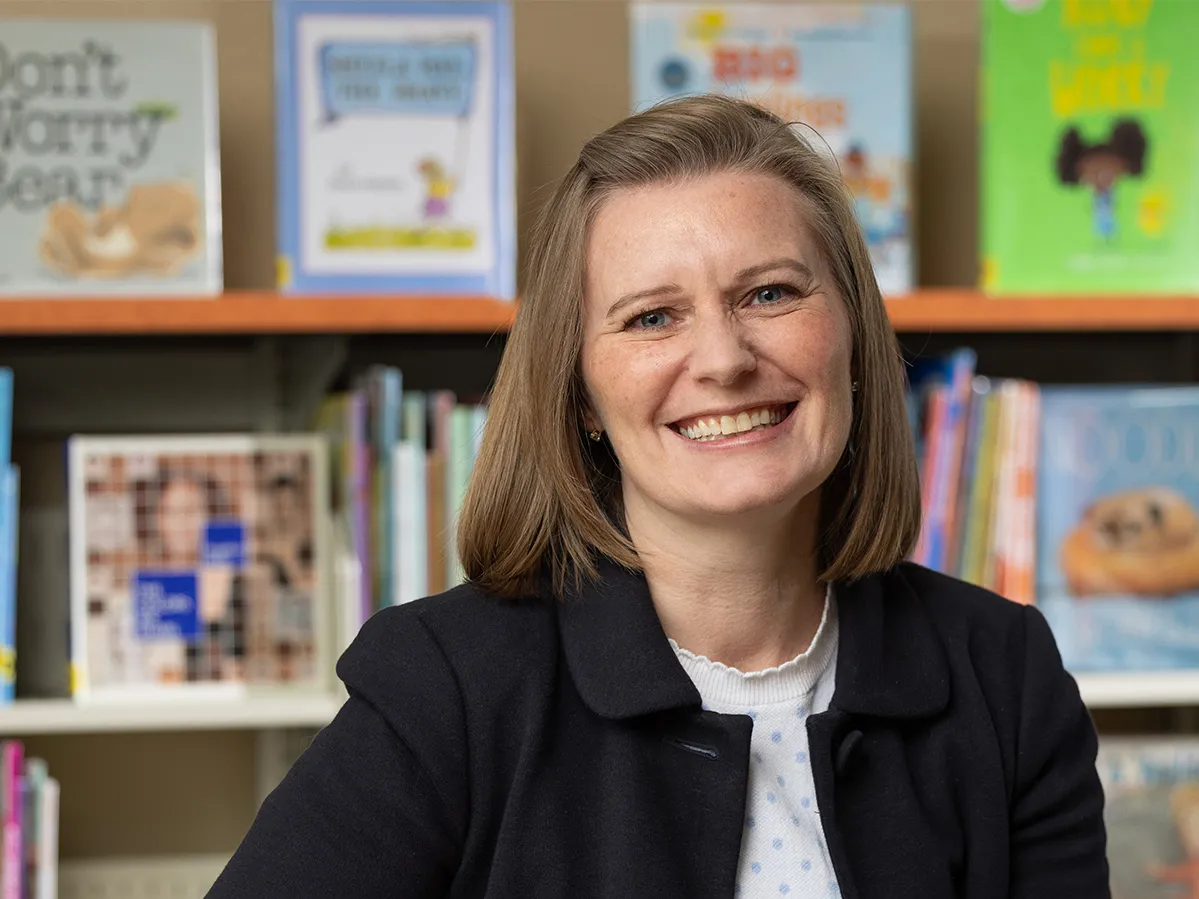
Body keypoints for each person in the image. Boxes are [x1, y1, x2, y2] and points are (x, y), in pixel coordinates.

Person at [206, 95, 1109, 898]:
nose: (722, 359)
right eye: (651, 316)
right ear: (584, 396)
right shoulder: (447, 684)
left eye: (768, 292)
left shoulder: (1002, 672)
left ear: (851, 341)